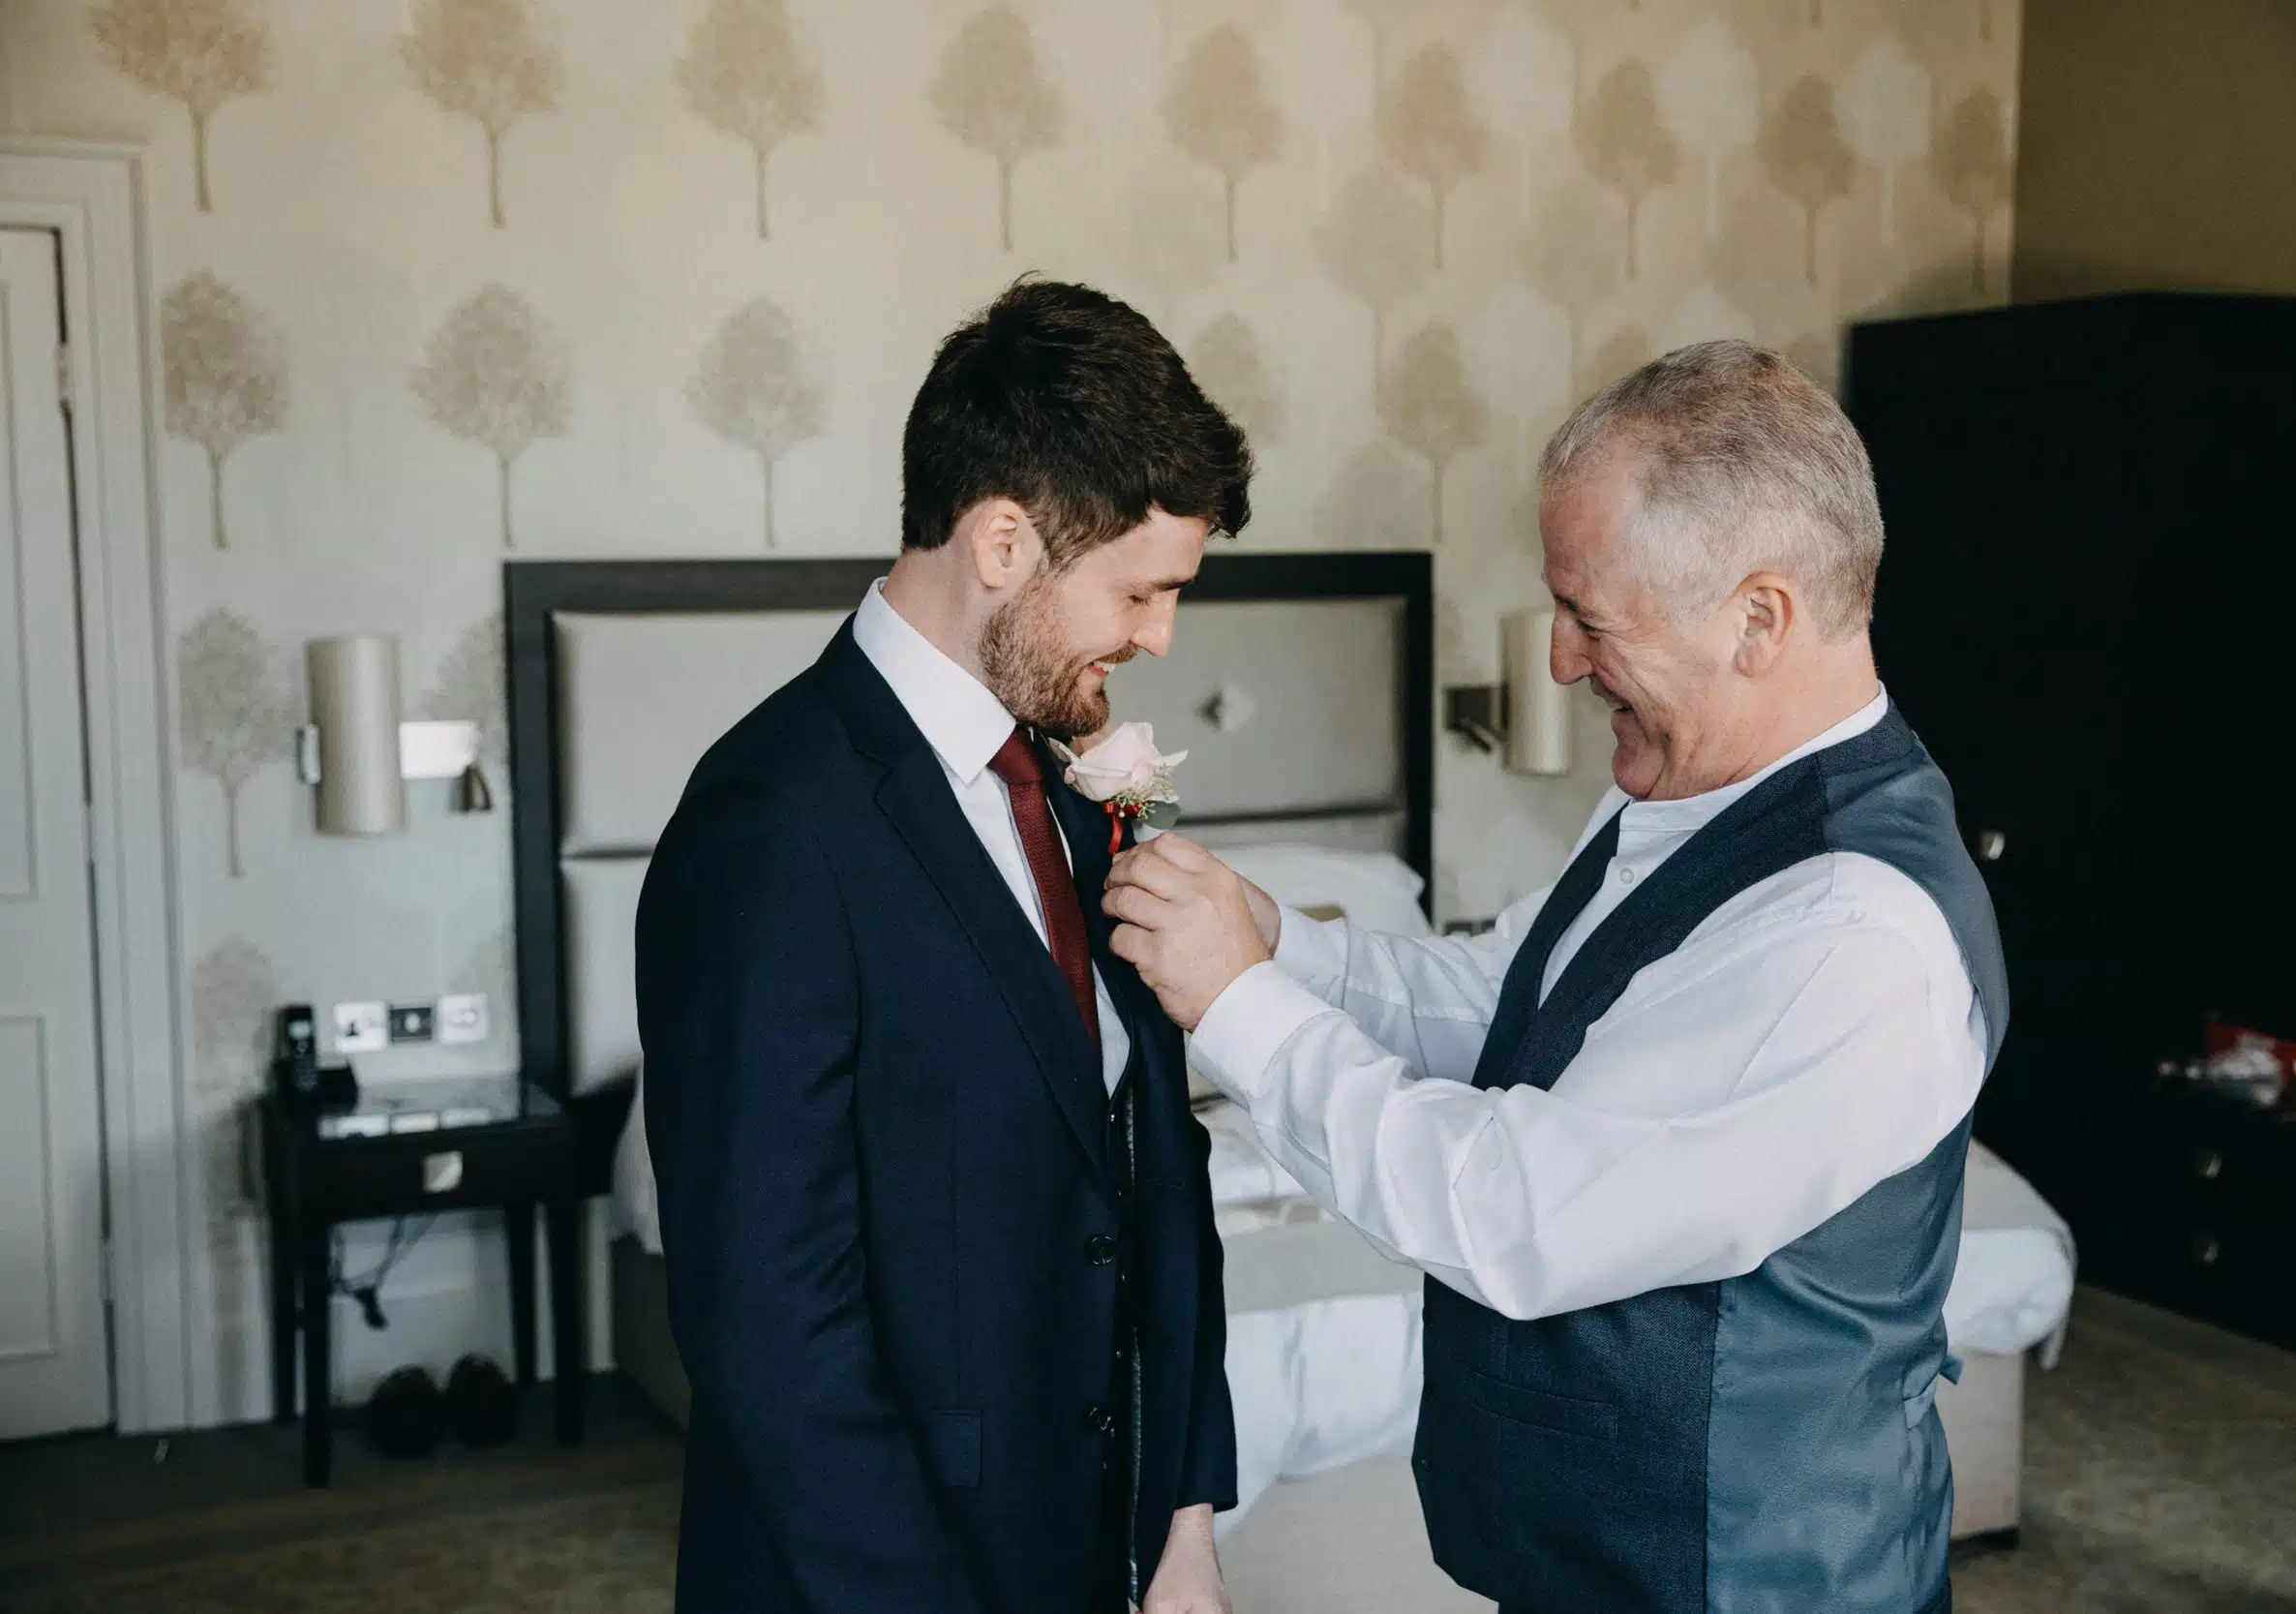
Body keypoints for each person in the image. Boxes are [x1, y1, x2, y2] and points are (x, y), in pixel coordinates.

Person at [1104, 341, 2008, 1614]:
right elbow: (1508, 1004)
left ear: (1761, 618)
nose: (1563, 666)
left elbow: (1518, 1211)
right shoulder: (1690, 786)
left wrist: (1239, 1008)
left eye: (1592, 618)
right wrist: (1278, 938)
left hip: (1746, 1582)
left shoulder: (1854, 933)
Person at [636, 279, 1249, 1614]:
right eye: (1142, 591)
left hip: (1099, 1551)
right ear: (1005, 541)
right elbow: (769, 1328)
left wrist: (1181, 1511)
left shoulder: (1081, 800)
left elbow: (1156, 1170)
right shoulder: (769, 821)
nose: (1161, 638)